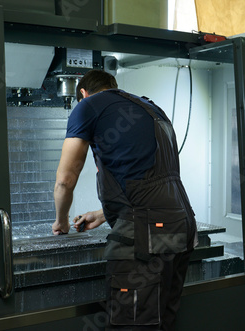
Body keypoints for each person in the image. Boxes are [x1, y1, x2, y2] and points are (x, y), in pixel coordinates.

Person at [52, 69, 198, 331]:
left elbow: (65, 179)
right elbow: (146, 176)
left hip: (146, 232)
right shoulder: (151, 107)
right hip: (181, 223)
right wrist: (101, 213)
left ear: (83, 94)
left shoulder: (87, 107)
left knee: (132, 325)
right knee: (162, 322)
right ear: (113, 86)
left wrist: (61, 221)